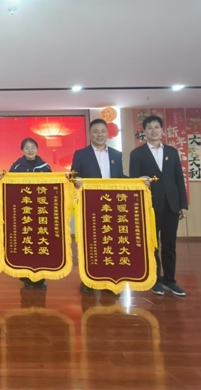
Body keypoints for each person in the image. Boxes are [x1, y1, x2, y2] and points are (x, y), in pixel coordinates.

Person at [130, 115, 188, 297]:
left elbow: (179, 179)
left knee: (170, 244)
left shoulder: (172, 151)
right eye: (149, 128)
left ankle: (170, 280)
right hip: (150, 205)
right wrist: (140, 181)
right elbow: (133, 180)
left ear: (162, 130)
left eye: (156, 127)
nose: (153, 131)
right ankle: (155, 280)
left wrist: (183, 204)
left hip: (172, 204)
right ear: (144, 132)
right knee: (152, 244)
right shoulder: (137, 154)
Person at [71, 119, 125, 293]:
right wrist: (76, 181)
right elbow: (73, 176)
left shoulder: (116, 154)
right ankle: (89, 280)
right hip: (90, 205)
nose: (99, 134)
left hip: (112, 206)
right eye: (95, 131)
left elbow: (120, 177)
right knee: (90, 242)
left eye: (103, 131)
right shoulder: (80, 154)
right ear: (90, 134)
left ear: (107, 133)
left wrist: (138, 181)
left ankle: (110, 279)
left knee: (111, 241)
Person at [9, 137, 51, 290]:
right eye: (27, 148)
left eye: (33, 147)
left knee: (41, 243)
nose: (30, 150)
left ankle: (41, 277)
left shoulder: (45, 167)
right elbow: (9, 189)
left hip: (41, 212)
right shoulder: (16, 167)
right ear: (22, 150)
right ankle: (27, 278)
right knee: (25, 244)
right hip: (23, 212)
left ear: (37, 149)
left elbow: (52, 188)